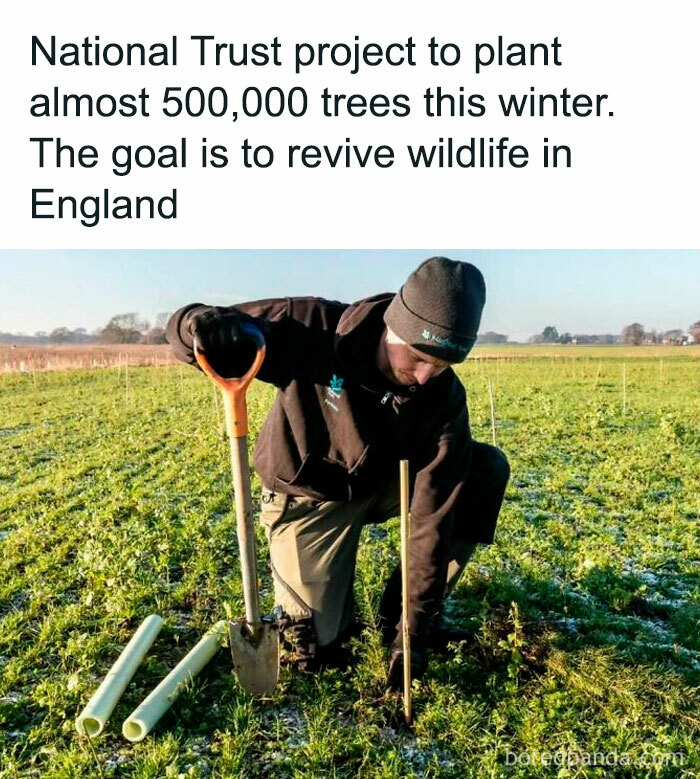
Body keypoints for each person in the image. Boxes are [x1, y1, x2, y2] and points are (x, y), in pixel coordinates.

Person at [167, 257, 510, 690]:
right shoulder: (313, 326)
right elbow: (184, 329)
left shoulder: (442, 399)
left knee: (483, 469)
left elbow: (432, 520)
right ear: (394, 328)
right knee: (318, 651)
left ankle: (396, 618)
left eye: (441, 366)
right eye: (420, 357)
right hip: (308, 499)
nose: (425, 377)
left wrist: (413, 632)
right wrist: (198, 325)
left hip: (384, 484)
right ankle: (325, 624)